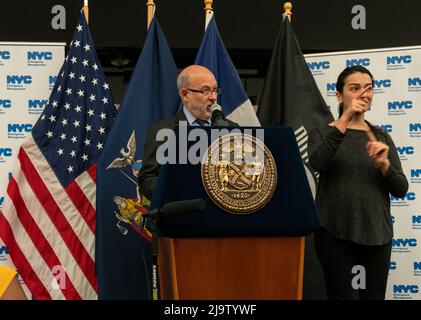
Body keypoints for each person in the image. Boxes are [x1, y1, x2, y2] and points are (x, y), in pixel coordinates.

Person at [308, 66, 408, 300]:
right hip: (334, 233)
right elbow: (318, 161)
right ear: (340, 96)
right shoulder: (322, 132)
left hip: (377, 235)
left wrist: (383, 165)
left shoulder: (381, 137)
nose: (364, 93)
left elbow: (401, 188)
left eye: (369, 88)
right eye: (355, 88)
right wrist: (345, 118)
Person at [138, 65, 238, 200]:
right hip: (181, 213)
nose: (213, 97)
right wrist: (178, 194)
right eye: (206, 90)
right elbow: (147, 179)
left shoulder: (231, 128)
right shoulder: (164, 131)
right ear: (185, 94)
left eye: (215, 90)